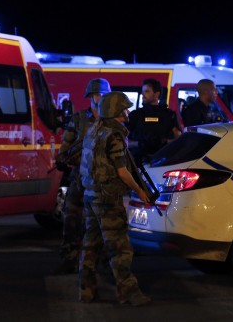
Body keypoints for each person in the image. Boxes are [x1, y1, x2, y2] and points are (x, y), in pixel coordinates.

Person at [79, 91, 151, 306]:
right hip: (108, 198)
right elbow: (122, 172)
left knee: (90, 245)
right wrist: (140, 190)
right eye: (124, 109)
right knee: (119, 246)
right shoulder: (114, 135)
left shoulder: (94, 130)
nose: (127, 113)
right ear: (117, 112)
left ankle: (86, 290)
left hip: (90, 195)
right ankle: (128, 292)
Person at [52, 78, 110, 275]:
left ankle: (103, 261)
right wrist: (63, 158)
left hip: (102, 178)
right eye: (96, 94)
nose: (99, 98)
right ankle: (69, 258)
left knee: (102, 222)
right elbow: (67, 145)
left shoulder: (112, 121)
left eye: (103, 94)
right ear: (90, 96)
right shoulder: (79, 119)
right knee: (71, 218)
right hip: (80, 175)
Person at [127, 78, 181, 164]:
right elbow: (124, 141)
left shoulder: (169, 115)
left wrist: (163, 142)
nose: (143, 94)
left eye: (147, 91)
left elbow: (178, 139)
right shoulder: (135, 115)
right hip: (138, 161)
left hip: (162, 161)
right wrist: (139, 144)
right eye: (143, 91)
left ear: (156, 94)